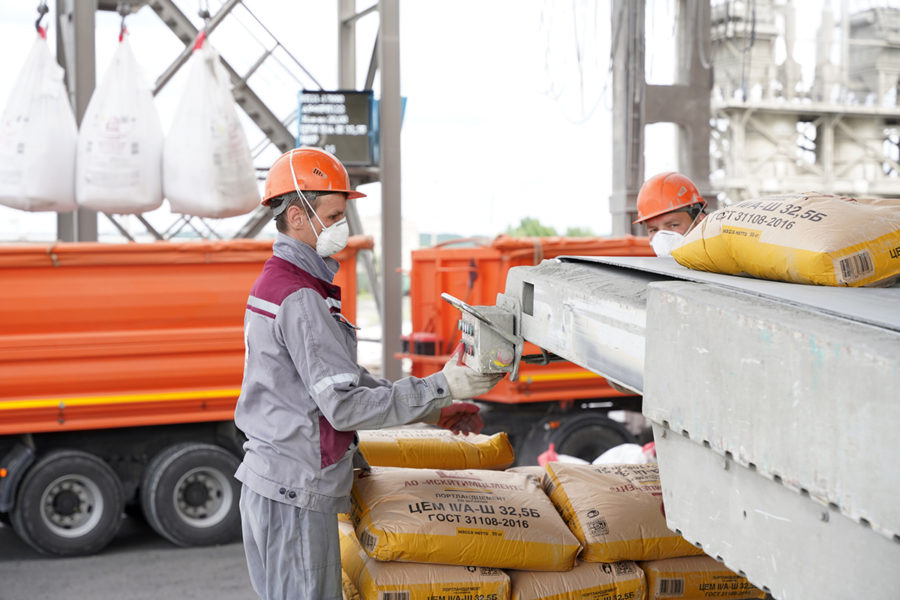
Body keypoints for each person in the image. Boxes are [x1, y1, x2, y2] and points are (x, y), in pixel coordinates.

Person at [234, 146, 504, 600]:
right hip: (294, 490)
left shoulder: (285, 283)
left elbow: (347, 379)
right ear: (297, 216)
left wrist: (435, 407)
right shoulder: (299, 296)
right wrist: (443, 383)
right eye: (335, 215)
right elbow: (343, 406)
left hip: (277, 482)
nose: (342, 227)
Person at [633, 171, 708, 256]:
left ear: (701, 221)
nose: (663, 237)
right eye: (654, 230)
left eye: (673, 225)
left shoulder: (723, 261)